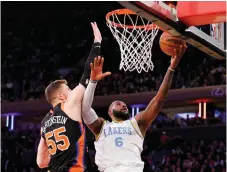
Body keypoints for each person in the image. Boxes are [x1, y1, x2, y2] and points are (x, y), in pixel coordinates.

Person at [81, 45, 187, 172]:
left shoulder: (137, 123)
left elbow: (158, 100)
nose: (123, 104)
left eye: (123, 104)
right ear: (109, 112)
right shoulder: (101, 126)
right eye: (118, 103)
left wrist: (171, 68)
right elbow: (85, 110)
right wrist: (92, 82)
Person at [36, 22, 103, 172]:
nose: (72, 91)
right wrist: (97, 42)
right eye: (69, 89)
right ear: (61, 96)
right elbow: (87, 72)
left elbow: (41, 162)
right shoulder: (69, 105)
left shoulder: (44, 123)